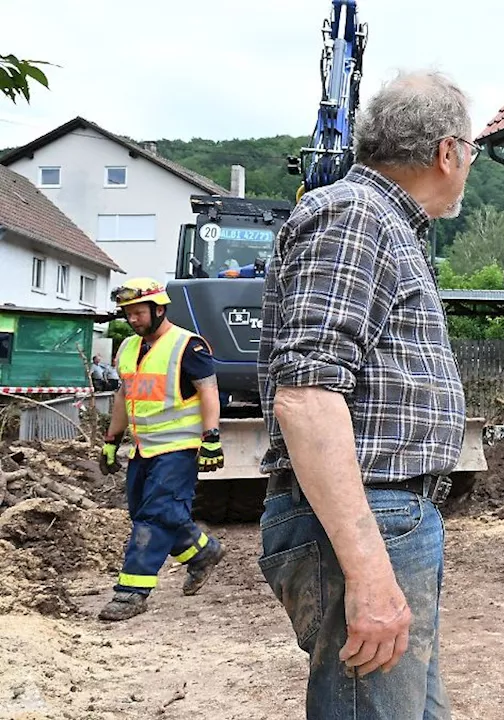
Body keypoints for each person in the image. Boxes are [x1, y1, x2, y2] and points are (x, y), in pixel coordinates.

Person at [256, 69, 471, 719]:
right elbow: (308, 394)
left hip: (390, 517)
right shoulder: (355, 214)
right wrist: (370, 570)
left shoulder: (381, 223)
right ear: (447, 152)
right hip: (370, 518)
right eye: (472, 151)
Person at [97, 277, 228, 621]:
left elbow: (209, 392)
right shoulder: (127, 348)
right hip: (143, 448)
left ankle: (131, 592)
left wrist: (211, 436)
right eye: (128, 314)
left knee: (154, 518)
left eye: (138, 313)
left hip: (179, 447)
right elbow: (124, 397)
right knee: (152, 511)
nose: (132, 320)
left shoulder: (188, 345)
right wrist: (111, 440)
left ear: (159, 309)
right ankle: (203, 552)